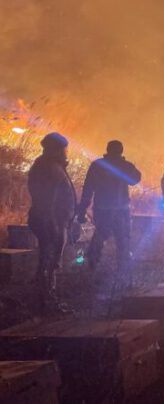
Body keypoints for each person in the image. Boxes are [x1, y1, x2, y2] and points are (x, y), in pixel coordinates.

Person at [76, 140, 141, 280]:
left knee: (100, 235)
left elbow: (88, 188)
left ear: (107, 149)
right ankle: (123, 270)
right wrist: (128, 165)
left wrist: (82, 208)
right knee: (122, 239)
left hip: (102, 208)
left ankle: (91, 264)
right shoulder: (125, 166)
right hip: (121, 209)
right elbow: (135, 179)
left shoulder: (97, 165)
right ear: (121, 151)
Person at [27, 132, 77, 313]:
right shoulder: (49, 168)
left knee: (50, 259)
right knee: (49, 260)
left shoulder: (49, 166)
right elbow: (47, 199)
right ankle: (46, 301)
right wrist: (53, 223)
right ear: (56, 149)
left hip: (54, 220)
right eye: (63, 149)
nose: (66, 152)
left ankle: (46, 298)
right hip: (50, 221)